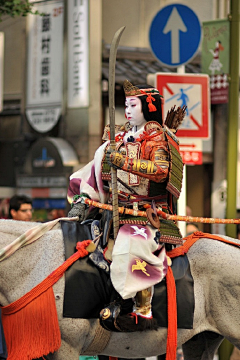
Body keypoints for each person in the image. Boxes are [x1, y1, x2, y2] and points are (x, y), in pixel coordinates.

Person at [67, 80, 185, 332]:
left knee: (132, 245)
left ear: (149, 107)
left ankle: (138, 309)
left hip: (147, 213)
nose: (127, 110)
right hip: (113, 210)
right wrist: (82, 198)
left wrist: (122, 161)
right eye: (126, 105)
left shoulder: (158, 138)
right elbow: (96, 168)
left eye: (133, 105)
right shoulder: (118, 137)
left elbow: (161, 170)